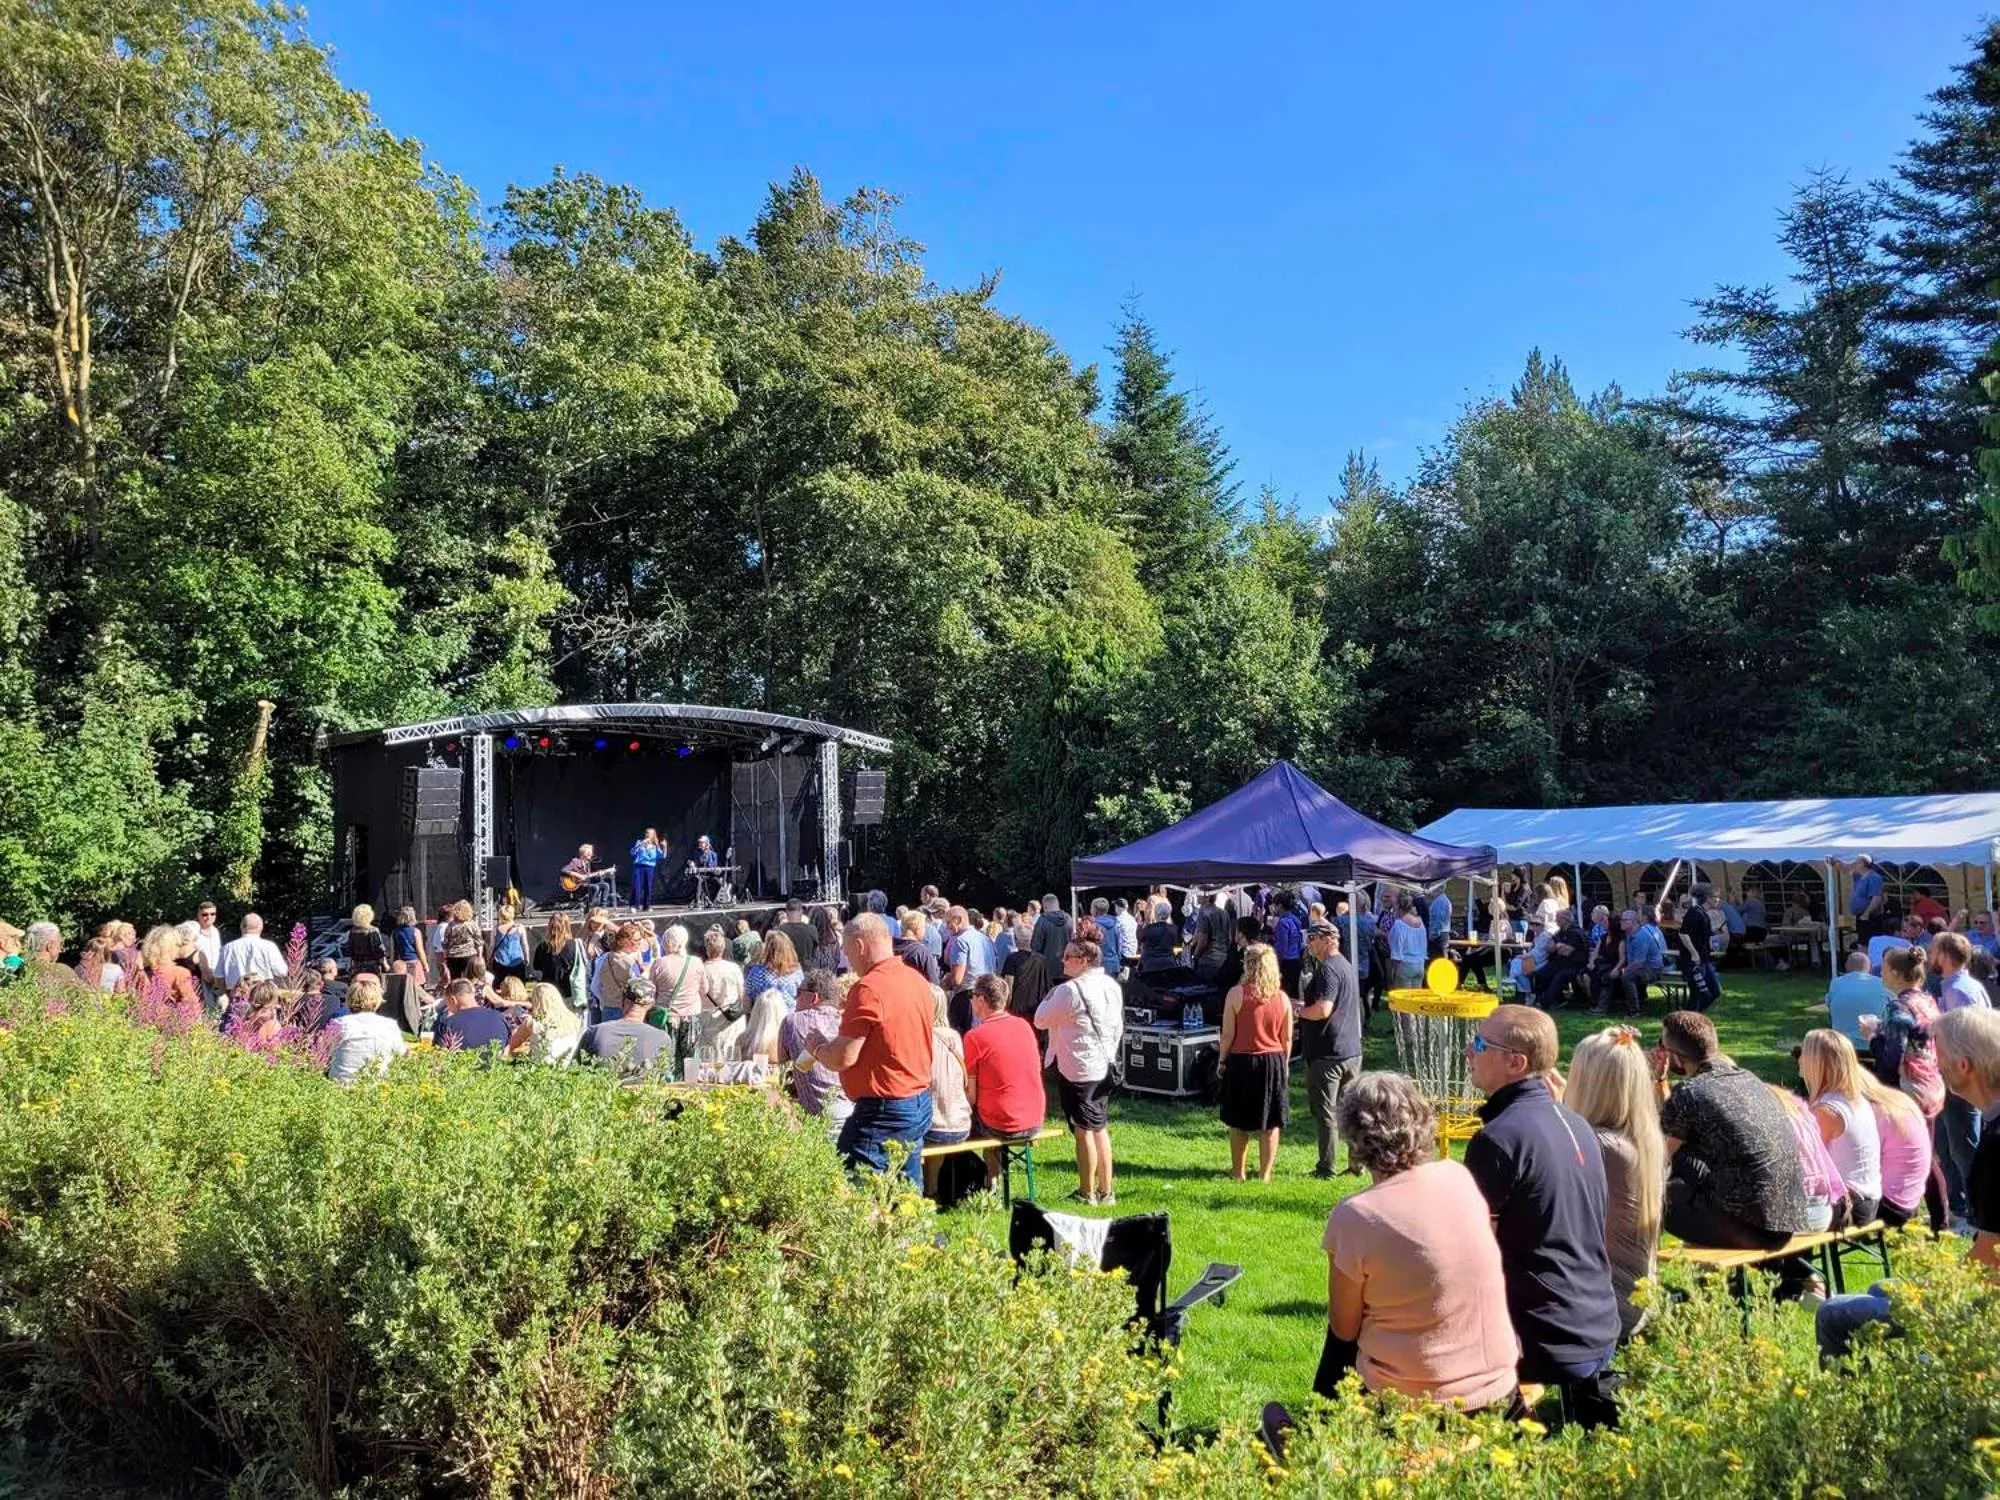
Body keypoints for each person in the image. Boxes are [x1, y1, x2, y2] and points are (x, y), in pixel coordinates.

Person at [1309, 1071, 1520, 1410]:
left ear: (1353, 1138)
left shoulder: (1356, 1215)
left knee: (1339, 1342)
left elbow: (1344, 1328)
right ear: (1421, 1120)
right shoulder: (1458, 1176)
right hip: (1499, 1386)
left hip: (1415, 1402)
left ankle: (1320, 1426)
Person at [1462, 1005, 1621, 1427]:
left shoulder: (1497, 1140)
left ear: (1516, 1062)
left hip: (1545, 1335)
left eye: (1479, 1044)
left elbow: (1473, 1260)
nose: (1468, 1052)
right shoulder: (1575, 1122)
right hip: (1599, 1319)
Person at [1817, 1005, 2000, 1358]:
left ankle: (1860, 1408)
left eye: (1937, 1054)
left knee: (1833, 1313)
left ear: (1963, 1066)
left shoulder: (1995, 1146)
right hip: (1984, 1286)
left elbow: (1990, 1257)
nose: (1933, 1064)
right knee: (1879, 1287)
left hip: (1986, 1309)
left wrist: (1936, 1293)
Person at [1654, 1010, 1812, 1250]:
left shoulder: (1691, 1092)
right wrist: (1660, 1081)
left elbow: (1659, 1156)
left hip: (1749, 1228)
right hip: (1788, 1220)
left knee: (1660, 1197)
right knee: (1687, 1162)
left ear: (1675, 1056)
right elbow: (1680, 1124)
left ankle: (1651, 1274)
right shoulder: (1748, 1079)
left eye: (1662, 1046)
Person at [802, 915, 935, 1184]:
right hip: (918, 1099)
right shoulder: (916, 980)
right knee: (905, 1191)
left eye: (847, 951)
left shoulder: (868, 988)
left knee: (853, 1185)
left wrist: (817, 1047)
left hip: (884, 1109)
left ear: (860, 945)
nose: (847, 958)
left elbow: (842, 1057)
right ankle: (908, 1226)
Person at [1565, 1027, 1665, 1341]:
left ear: (1587, 1084)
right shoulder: (1644, 1139)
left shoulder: (1596, 1146)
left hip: (1604, 1308)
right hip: (1637, 1298)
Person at [1035, 934, 1124, 1205]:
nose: (1062, 961)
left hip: (1079, 1068)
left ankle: (1087, 1192)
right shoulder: (1111, 985)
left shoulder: (1070, 991)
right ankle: (1106, 1191)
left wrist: (1052, 994)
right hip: (1105, 1062)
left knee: (1084, 1129)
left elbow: (1040, 1019)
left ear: (1084, 960)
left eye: (1068, 956)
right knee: (1099, 1127)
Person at [1218, 944, 1294, 1182]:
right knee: (1270, 1122)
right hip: (1273, 1060)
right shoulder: (1283, 998)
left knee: (1238, 1121)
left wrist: (1221, 1060)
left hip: (1241, 1060)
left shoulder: (1235, 994)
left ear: (1248, 965)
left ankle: (1238, 1172)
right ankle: (1265, 1174)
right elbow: (1288, 1037)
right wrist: (1285, 1063)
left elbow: (1228, 1034)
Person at [1930, 931, 1990, 1226]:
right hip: (1955, 1075)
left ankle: (1978, 1213)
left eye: (1934, 950)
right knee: (1947, 1143)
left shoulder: (1959, 991)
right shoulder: (1963, 985)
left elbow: (1969, 1037)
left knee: (1964, 1147)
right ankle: (1958, 1204)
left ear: (1944, 955)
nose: (1930, 955)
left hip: (1964, 1076)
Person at [1297, 919, 1363, 1179]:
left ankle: (1326, 1167)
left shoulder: (1327, 969)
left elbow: (1323, 1009)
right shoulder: (1346, 966)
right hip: (1350, 1050)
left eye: (1313, 937)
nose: (1309, 943)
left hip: (1328, 1053)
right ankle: (1357, 1163)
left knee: (1327, 1112)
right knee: (1350, 1112)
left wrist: (1299, 1011)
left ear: (1328, 939)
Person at [963, 973, 1047, 1174]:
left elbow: (971, 1097)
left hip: (1001, 1122)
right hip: (1034, 1117)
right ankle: (990, 1180)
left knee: (948, 1126)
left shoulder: (975, 1037)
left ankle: (986, 1182)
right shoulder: (1024, 1026)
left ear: (981, 1000)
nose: (971, 1000)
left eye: (972, 996)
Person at [1799, 1029, 1883, 1227]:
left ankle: (1793, 1259)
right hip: (1867, 1199)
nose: (1800, 1058)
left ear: (1818, 1062)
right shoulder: (1855, 1100)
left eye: (1804, 1053)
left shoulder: (1828, 1111)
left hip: (1848, 1205)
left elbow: (1803, 1161)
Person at [780, 970, 851, 1135]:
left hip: (821, 1119)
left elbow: (785, 1075)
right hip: (856, 1113)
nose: (794, 999)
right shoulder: (846, 1022)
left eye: (798, 994)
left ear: (813, 998)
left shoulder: (793, 1021)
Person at [922, 984, 972, 1191]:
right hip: (961, 1123)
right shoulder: (954, 1037)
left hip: (936, 1127)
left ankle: (929, 1189)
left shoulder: (922, 1037)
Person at [324, 974, 409, 1083]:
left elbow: (323, 1052)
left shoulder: (339, 1023)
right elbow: (402, 1053)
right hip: (377, 1084)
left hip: (341, 1084)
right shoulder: (389, 1025)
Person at [580, 977, 670, 1077]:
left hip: (602, 1090)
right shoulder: (662, 1038)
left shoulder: (595, 1032)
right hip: (643, 1092)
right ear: (651, 1005)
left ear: (622, 1000)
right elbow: (665, 1081)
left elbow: (573, 1072)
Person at [1600, 909, 1664, 1017]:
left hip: (1653, 970)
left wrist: (1621, 970)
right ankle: (1603, 1007)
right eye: (1621, 920)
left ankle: (1635, 1011)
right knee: (1609, 973)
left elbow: (1639, 962)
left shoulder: (1640, 937)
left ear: (1633, 922)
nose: (1621, 922)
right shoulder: (1628, 934)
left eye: (1624, 920)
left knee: (1627, 976)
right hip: (1640, 968)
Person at [1825, 949, 1888, 1047]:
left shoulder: (1835, 983)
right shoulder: (1883, 984)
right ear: (1870, 968)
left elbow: (1830, 1010)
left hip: (1842, 1046)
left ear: (1846, 966)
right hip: (1874, 1046)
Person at [509, 980, 583, 1064]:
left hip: (540, 1070)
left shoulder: (532, 1022)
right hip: (568, 1069)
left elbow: (513, 1047)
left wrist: (530, 1051)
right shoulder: (575, 1020)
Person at [434, 978, 511, 1054]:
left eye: (447, 1004)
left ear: (453, 1000)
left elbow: (439, 1057)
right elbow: (507, 1051)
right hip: (497, 1065)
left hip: (464, 1065)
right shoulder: (499, 1018)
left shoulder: (448, 1024)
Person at [700, 927, 746, 1048]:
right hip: (732, 1023)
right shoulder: (734, 968)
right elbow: (742, 995)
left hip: (709, 1023)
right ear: (723, 948)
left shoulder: (701, 970)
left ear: (706, 949)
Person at [215, 913, 285, 991]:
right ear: (261, 927)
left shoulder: (227, 948)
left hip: (237, 995)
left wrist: (224, 994)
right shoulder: (269, 946)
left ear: (241, 926)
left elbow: (219, 977)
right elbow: (281, 972)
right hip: (263, 995)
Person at [745, 929, 805, 1011]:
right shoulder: (796, 971)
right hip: (788, 1017)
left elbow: (747, 1000)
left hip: (763, 1016)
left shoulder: (756, 971)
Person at [943, 905, 995, 995]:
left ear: (958, 920)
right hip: (987, 993)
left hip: (967, 995)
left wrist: (943, 984)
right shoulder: (986, 939)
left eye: (948, 922)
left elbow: (957, 979)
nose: (947, 927)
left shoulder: (960, 941)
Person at [735, 986, 788, 1066]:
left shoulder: (741, 1040)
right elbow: (801, 1067)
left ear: (755, 1012)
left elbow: (733, 1067)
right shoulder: (784, 1043)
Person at [1386, 900, 1427, 992]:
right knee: (1415, 1000)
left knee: (1403, 1002)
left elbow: (1397, 951)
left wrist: (1394, 972)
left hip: (1404, 965)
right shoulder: (1421, 923)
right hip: (1419, 964)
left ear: (1398, 907)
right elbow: (1424, 945)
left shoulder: (1399, 924)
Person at [1269, 894, 1305, 997]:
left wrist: (1277, 963)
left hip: (1286, 962)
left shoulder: (1283, 923)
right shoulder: (1296, 919)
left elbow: (1282, 947)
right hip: (1296, 959)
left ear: (1279, 906)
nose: (1273, 907)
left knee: (1285, 993)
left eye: (1274, 905)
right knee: (1294, 991)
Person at [894, 910, 942, 985]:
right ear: (918, 930)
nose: (925, 930)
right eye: (924, 927)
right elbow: (933, 982)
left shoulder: (890, 947)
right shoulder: (921, 952)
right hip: (915, 993)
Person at [561, 843, 616, 908]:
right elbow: (564, 870)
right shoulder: (576, 861)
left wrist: (605, 872)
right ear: (584, 853)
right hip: (579, 887)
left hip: (587, 885)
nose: (591, 854)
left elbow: (591, 875)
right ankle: (588, 907)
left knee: (605, 885)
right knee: (595, 887)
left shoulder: (588, 864)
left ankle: (603, 907)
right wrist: (579, 876)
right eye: (589, 852)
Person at [438, 901, 481, 982]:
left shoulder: (451, 925)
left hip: (453, 957)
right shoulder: (472, 924)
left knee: (455, 981)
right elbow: (479, 942)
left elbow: (445, 943)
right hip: (469, 955)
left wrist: (445, 957)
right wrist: (479, 956)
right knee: (470, 981)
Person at [487, 904, 530, 985]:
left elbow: (492, 946)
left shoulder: (496, 929)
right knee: (519, 985)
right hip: (517, 960)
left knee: (500, 985)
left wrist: (489, 959)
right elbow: (525, 944)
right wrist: (527, 958)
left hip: (500, 960)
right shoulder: (520, 928)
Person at [1029, 894, 1072, 971]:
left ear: (1044, 906)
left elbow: (1035, 946)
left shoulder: (1042, 920)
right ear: (1058, 904)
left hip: (1047, 969)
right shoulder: (1069, 919)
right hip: (1068, 967)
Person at [1849, 854, 1886, 942]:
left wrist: (1866, 914)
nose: (1854, 864)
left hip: (1870, 917)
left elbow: (1876, 898)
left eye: (1857, 862)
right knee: (1862, 942)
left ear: (1862, 863)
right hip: (1860, 916)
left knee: (1868, 943)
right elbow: (1846, 870)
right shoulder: (1859, 877)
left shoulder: (1874, 878)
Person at [1137, 901, 1181, 975]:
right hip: (1169, 963)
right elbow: (1177, 943)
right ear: (1168, 914)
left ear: (1156, 913)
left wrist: (1140, 926)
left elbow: (1139, 940)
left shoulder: (1148, 928)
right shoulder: (1174, 929)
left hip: (1150, 964)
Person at [629, 827, 664, 910]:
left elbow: (662, 856)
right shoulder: (639, 842)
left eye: (649, 833)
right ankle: (635, 905)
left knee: (648, 886)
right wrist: (641, 844)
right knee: (637, 886)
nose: (647, 834)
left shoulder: (655, 846)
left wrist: (664, 847)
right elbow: (632, 852)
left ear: (653, 835)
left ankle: (646, 906)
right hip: (639, 866)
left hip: (649, 867)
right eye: (646, 833)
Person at [390, 904, 428, 979]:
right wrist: (425, 965)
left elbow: (393, 951)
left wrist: (392, 964)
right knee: (415, 987)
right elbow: (420, 950)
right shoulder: (416, 931)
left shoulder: (394, 932)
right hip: (413, 962)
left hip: (400, 964)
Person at [777, 901, 818, 966]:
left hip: (786, 969)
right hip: (807, 969)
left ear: (786, 912)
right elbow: (815, 952)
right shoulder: (812, 929)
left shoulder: (778, 931)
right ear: (801, 911)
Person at [191, 900, 224, 974]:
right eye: (205, 914)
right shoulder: (193, 932)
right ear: (198, 915)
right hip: (198, 975)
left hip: (216, 974)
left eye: (212, 914)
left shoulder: (216, 931)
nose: (209, 917)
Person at [1426, 887, 1454, 959]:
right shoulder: (1443, 900)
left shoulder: (1440, 901)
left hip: (1438, 935)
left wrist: (1433, 935)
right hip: (1443, 933)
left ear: (1440, 889)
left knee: (1437, 958)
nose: (1431, 889)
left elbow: (1438, 921)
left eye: (1433, 887)